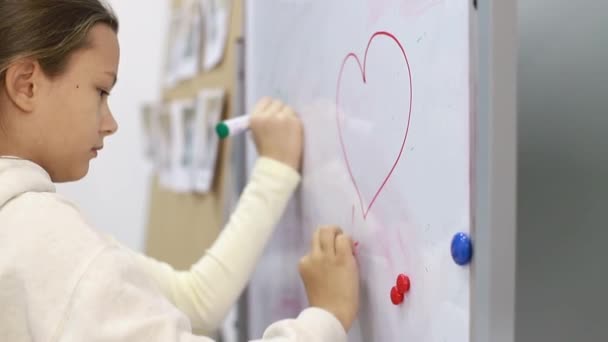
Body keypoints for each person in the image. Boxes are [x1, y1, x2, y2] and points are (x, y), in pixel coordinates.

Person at [0, 1, 360, 341]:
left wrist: (274, 170)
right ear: (26, 85)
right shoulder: (47, 240)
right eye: (101, 91)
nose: (110, 123)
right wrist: (326, 318)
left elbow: (192, 301)